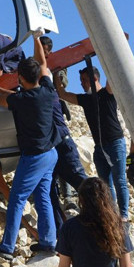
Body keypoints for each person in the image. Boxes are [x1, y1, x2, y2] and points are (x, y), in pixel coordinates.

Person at [0, 28, 58, 258]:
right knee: (43, 197)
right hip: (51, 153)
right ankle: (48, 242)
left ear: (20, 78)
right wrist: (37, 38)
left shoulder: (20, 100)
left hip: (35, 156)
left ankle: (7, 246)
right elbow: (43, 62)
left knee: (17, 198)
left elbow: (2, 99)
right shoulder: (47, 89)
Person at [58, 66, 130, 221]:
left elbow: (113, 72)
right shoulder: (85, 99)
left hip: (115, 142)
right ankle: (112, 212)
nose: (82, 84)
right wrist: (56, 74)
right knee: (105, 183)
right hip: (100, 147)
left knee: (119, 180)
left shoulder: (107, 93)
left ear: (95, 78)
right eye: (81, 81)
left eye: (84, 80)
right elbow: (62, 94)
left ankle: (124, 215)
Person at [38, 36, 87, 234]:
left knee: (76, 178)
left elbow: (61, 86)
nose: (46, 53)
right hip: (49, 140)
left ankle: (96, 209)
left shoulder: (53, 71)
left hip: (58, 135)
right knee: (49, 187)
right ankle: (59, 231)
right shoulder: (38, 71)